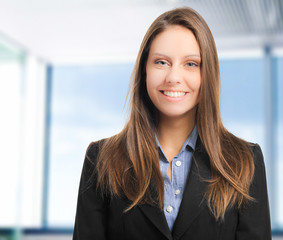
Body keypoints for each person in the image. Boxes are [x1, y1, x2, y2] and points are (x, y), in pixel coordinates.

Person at [73, 7, 271, 240]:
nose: (174, 77)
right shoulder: (101, 159)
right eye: (161, 62)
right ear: (144, 71)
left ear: (207, 74)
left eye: (190, 64)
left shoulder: (244, 161)